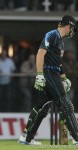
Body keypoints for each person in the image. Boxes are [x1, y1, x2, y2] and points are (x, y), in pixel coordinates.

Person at [18, 15, 78, 145]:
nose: (72, 31)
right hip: (49, 73)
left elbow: (58, 64)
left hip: (54, 73)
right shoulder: (52, 34)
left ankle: (26, 137)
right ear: (68, 26)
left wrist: (64, 78)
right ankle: (77, 137)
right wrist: (39, 74)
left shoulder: (60, 41)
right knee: (65, 104)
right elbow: (40, 53)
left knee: (42, 107)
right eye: (72, 28)